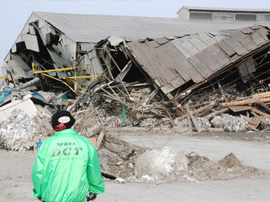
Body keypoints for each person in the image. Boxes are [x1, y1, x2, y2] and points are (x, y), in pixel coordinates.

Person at [32, 110, 104, 202]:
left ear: (54, 127)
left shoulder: (47, 144)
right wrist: (95, 190)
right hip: (77, 196)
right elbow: (94, 169)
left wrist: (39, 192)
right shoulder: (85, 143)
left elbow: (38, 172)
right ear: (72, 124)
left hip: (51, 196)